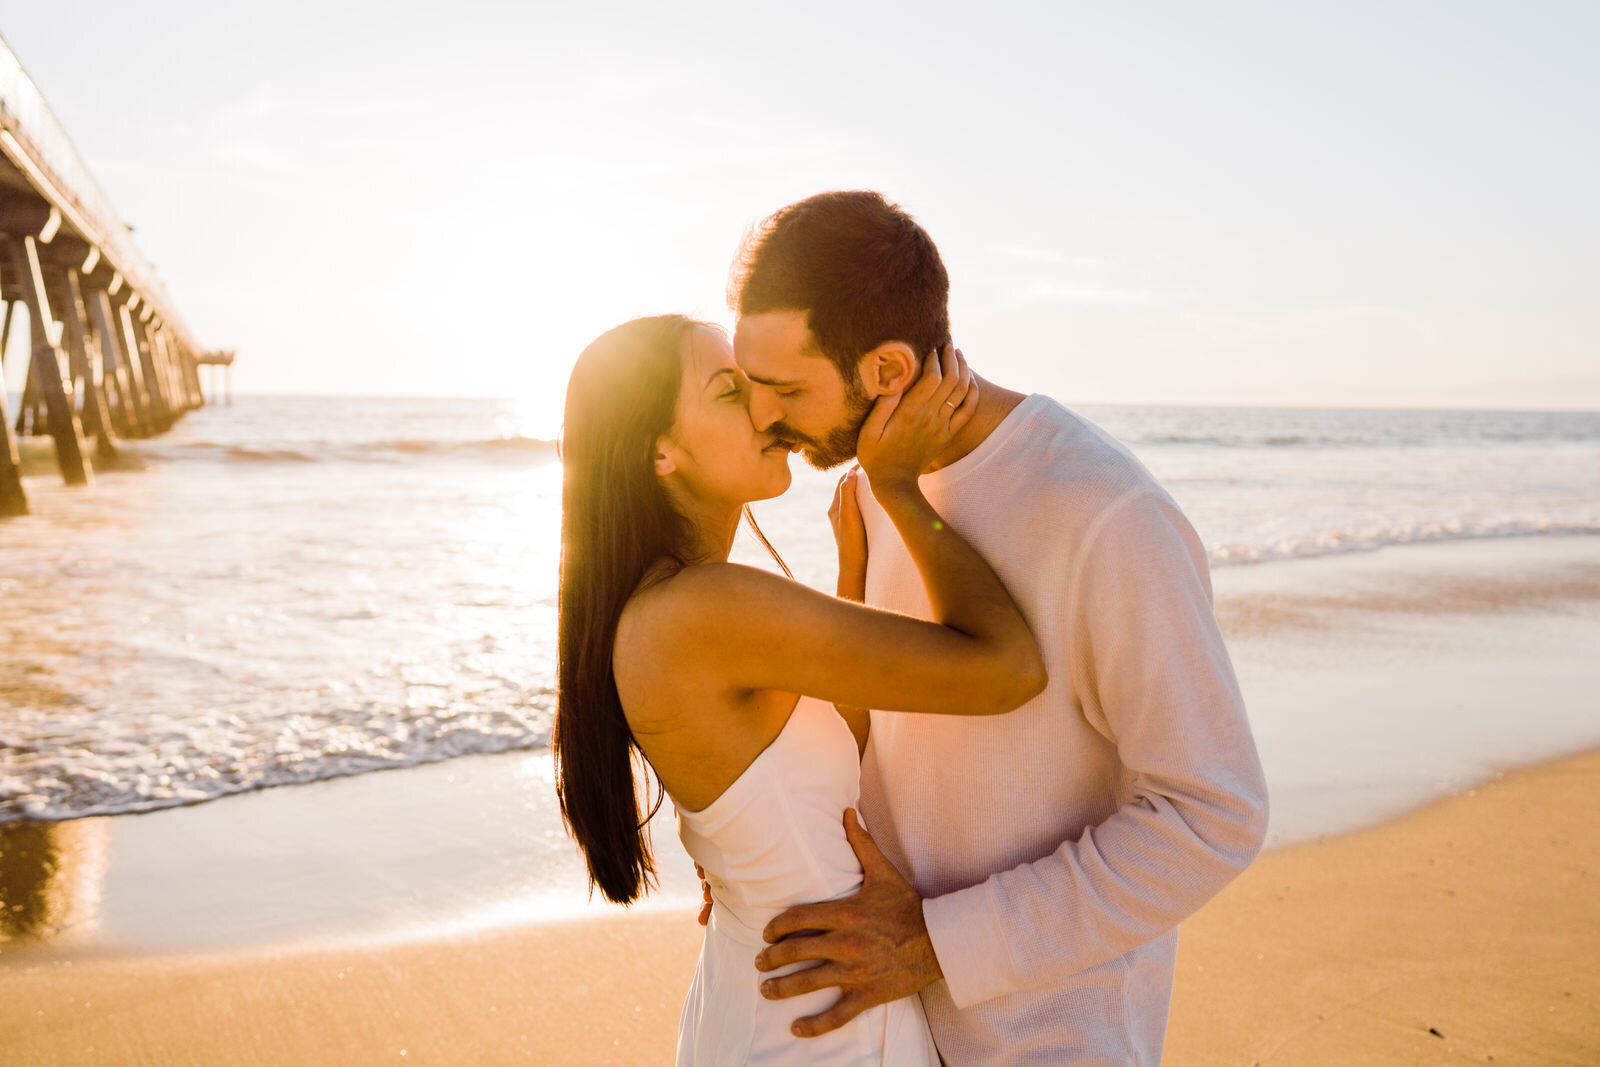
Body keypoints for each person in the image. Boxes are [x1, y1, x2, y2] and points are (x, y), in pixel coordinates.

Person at [727, 190, 1271, 1064]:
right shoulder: (871, 486)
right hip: (885, 1029)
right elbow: (876, 741)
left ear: (888, 371)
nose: (763, 416)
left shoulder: (1106, 512)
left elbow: (1215, 814)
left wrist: (941, 941)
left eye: (786, 388)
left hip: (1048, 1042)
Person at [554, 314, 1049, 1064]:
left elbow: (822, 759)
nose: (766, 407)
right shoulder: (705, 607)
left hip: (786, 990)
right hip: (812, 1023)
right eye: (729, 391)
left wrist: (851, 577)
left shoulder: (672, 605)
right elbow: (1008, 668)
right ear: (660, 451)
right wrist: (899, 488)